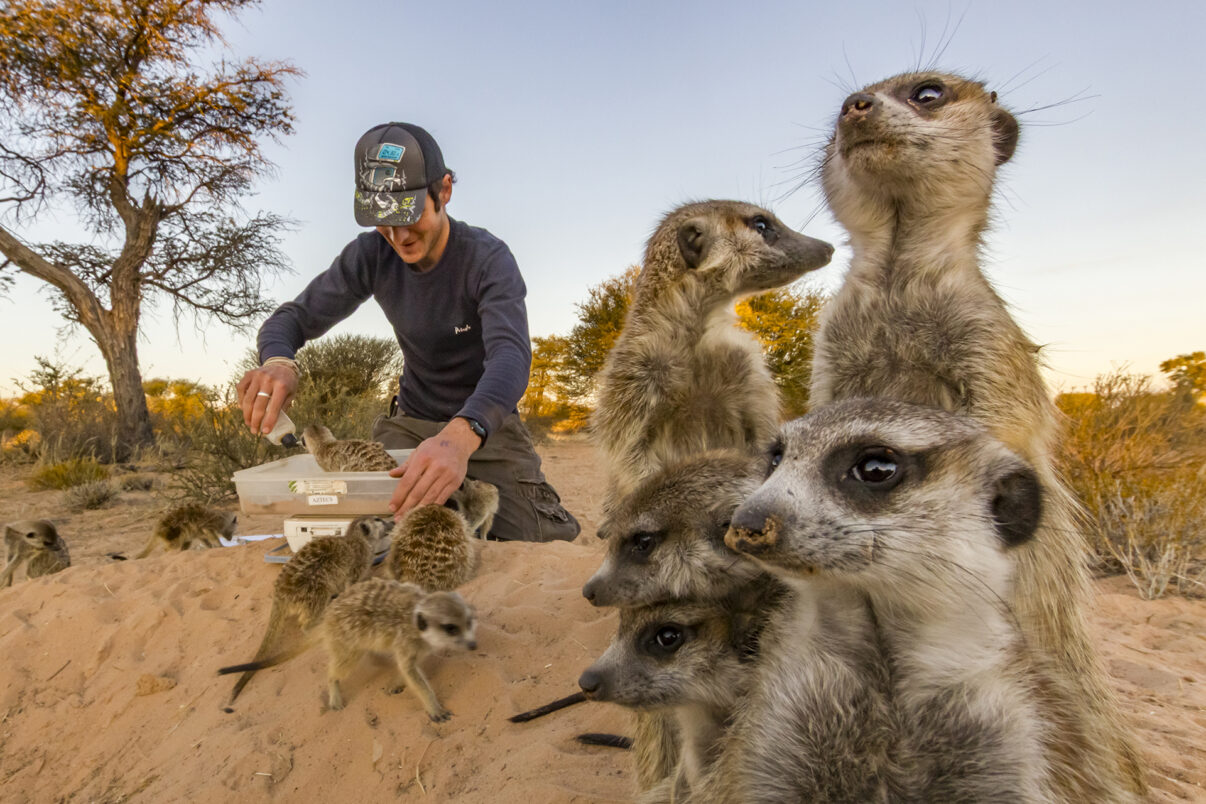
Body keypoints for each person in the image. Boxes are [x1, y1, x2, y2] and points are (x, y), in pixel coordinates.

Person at [237, 122, 580, 542]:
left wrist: (461, 436)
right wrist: (278, 362)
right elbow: (291, 318)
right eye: (384, 220)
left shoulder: (488, 259)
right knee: (377, 532)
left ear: (445, 190)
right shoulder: (371, 255)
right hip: (410, 424)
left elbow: (510, 357)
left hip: (484, 425)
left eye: (409, 215)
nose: (398, 236)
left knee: (542, 538)